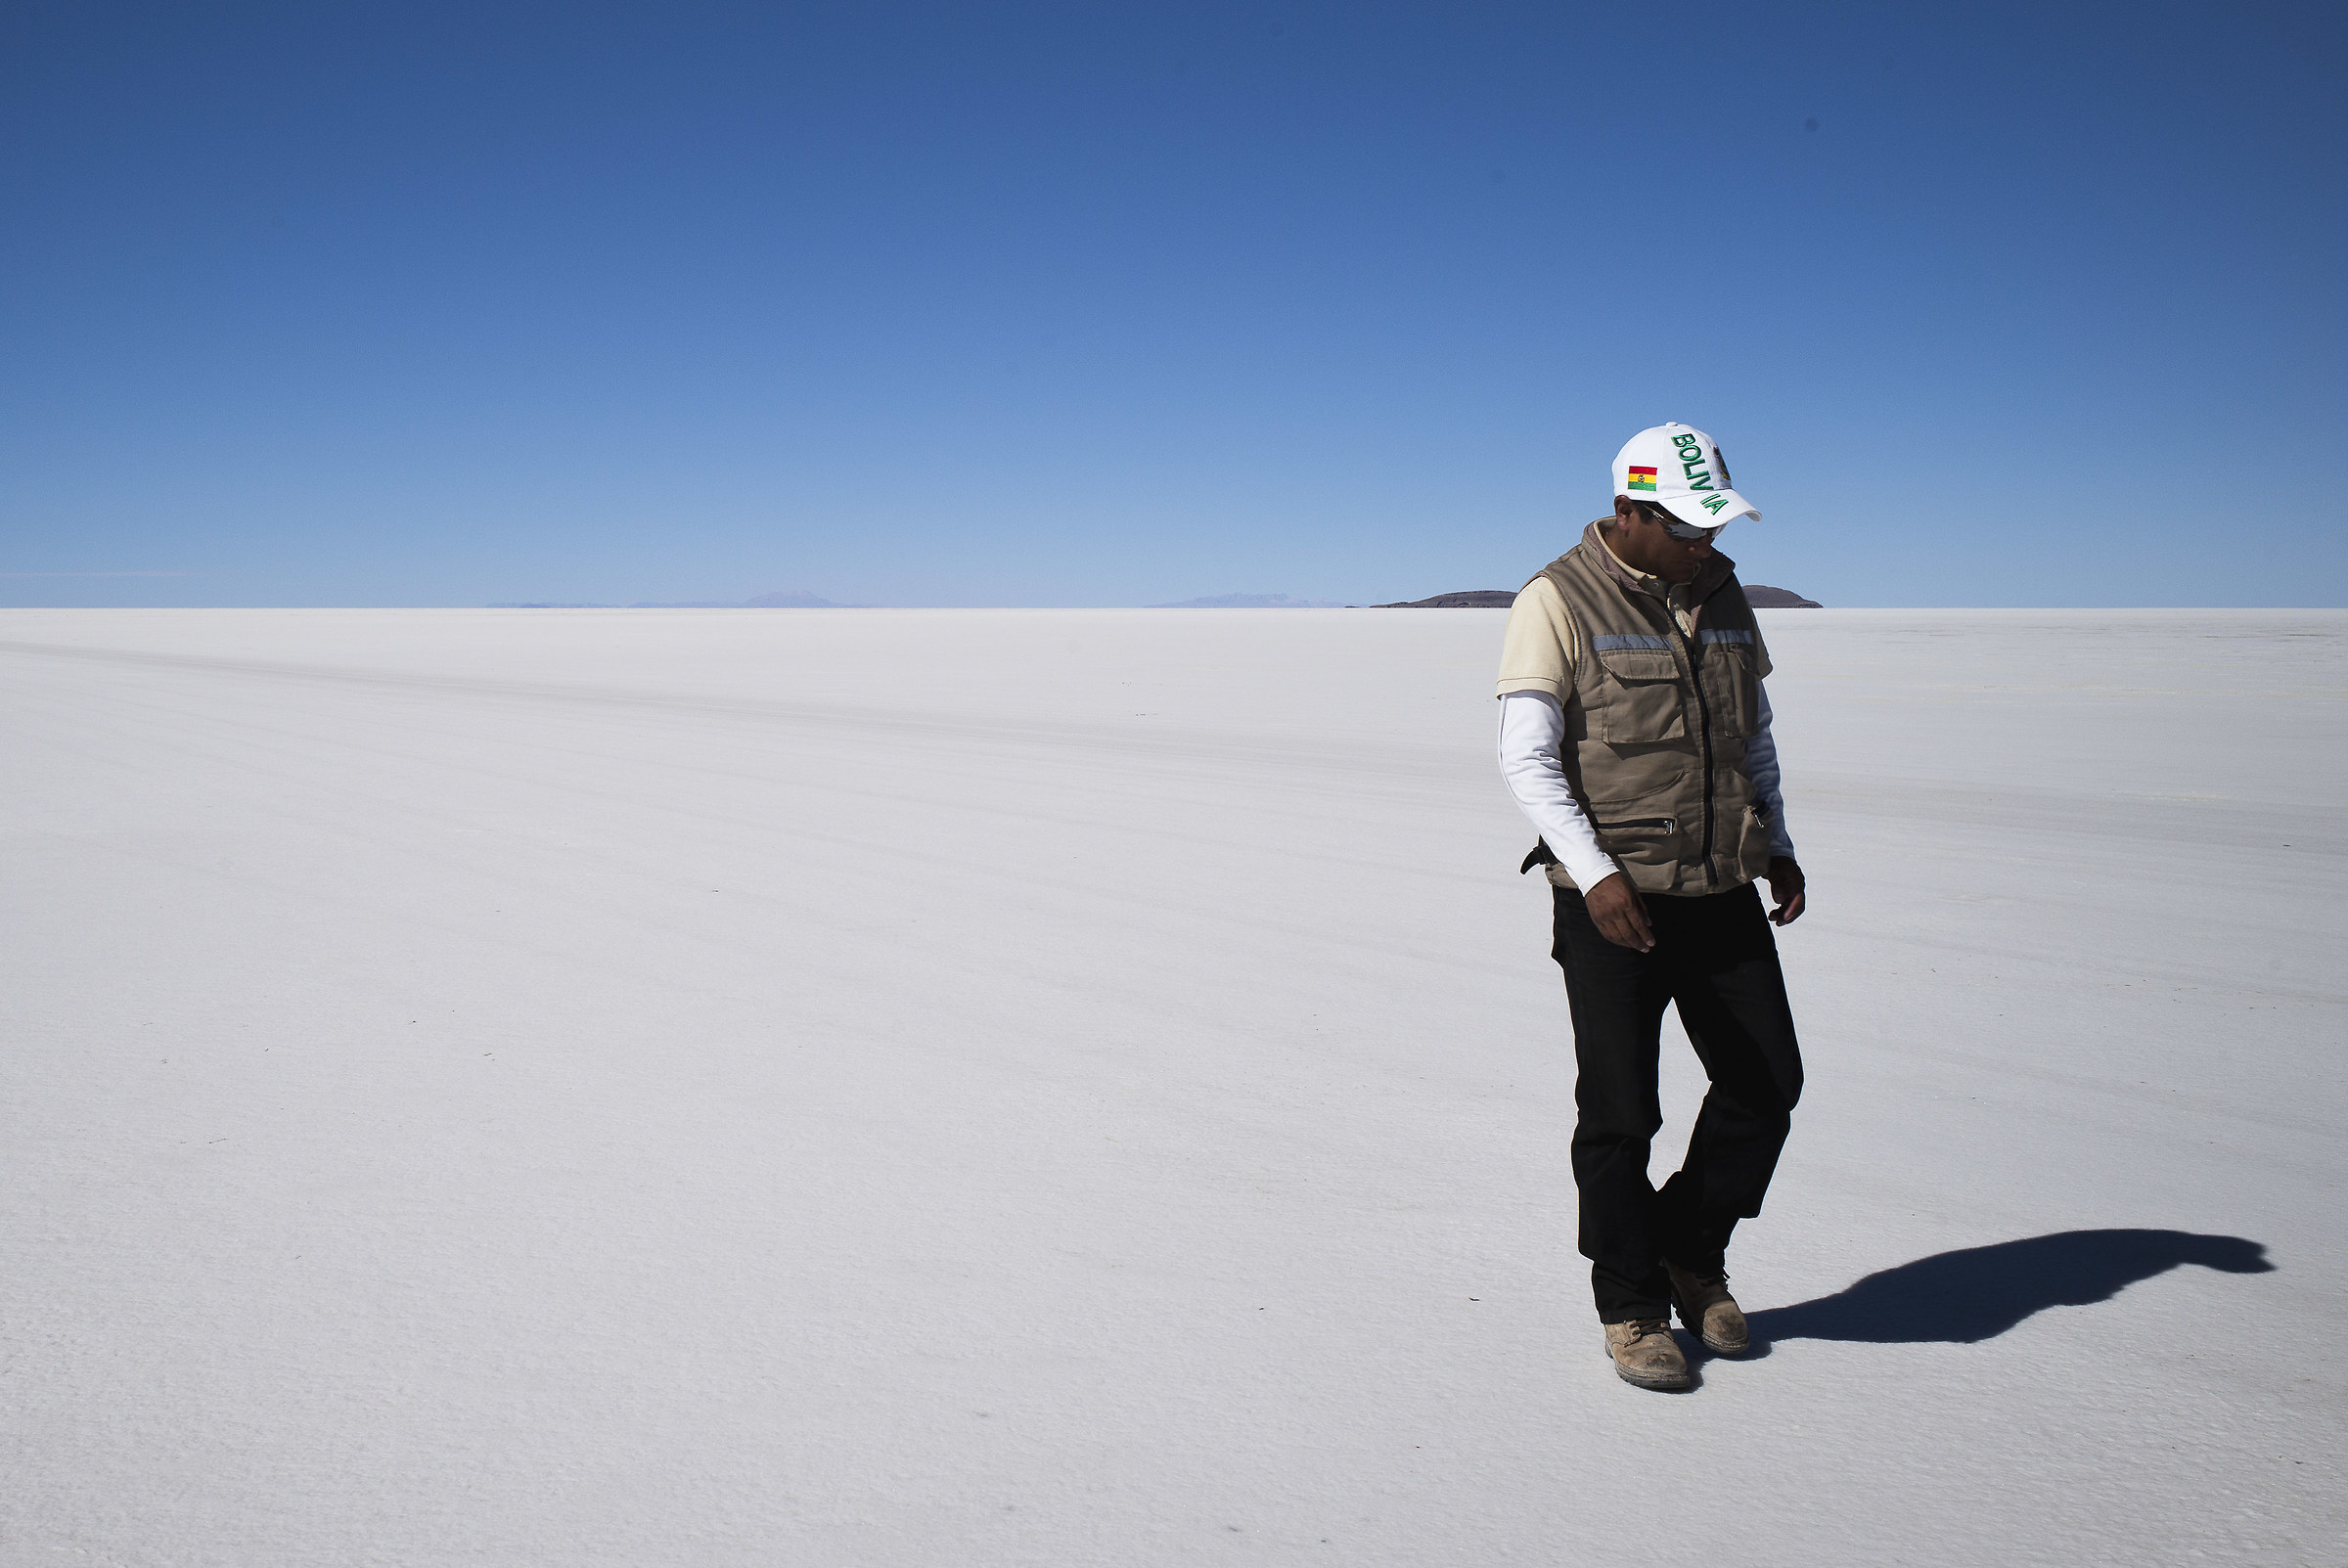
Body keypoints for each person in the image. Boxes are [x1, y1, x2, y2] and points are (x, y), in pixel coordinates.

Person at [1495, 423, 1807, 1392]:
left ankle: (1687, 1244)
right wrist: (1596, 876)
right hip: (1612, 904)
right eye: (1691, 526)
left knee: (1766, 1083)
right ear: (1631, 511)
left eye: (1717, 524)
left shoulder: (1721, 596)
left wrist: (1779, 840)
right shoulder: (1555, 600)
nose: (1708, 544)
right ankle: (1630, 1304)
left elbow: (1752, 736)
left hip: (1720, 887)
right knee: (1622, 1111)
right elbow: (1527, 759)